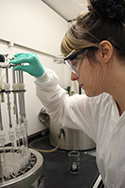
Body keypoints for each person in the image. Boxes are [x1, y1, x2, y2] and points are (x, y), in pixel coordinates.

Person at [9, 0, 125, 187]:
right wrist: (43, 76)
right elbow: (63, 108)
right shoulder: (102, 103)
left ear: (104, 52)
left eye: (74, 63)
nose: (72, 76)